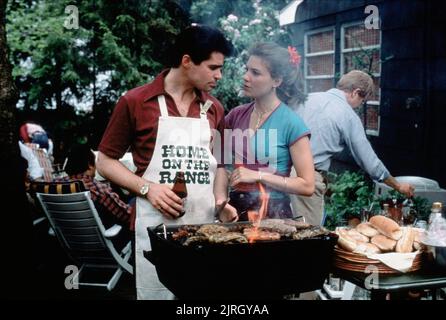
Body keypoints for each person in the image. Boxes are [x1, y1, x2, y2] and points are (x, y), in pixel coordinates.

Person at [96, 25, 234, 300]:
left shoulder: (215, 108)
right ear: (186, 61)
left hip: (204, 229)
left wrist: (221, 201)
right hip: (154, 228)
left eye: (221, 68)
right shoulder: (135, 101)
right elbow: (104, 161)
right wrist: (148, 188)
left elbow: (221, 164)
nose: (219, 75)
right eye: (212, 67)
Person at [291, 70, 415, 226]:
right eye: (362, 101)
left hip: (277, 172)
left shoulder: (307, 99)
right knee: (307, 236)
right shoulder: (347, 115)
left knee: (277, 231)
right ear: (356, 93)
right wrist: (397, 185)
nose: (359, 106)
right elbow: (369, 161)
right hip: (305, 178)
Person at [215, 43, 315, 222]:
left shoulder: (292, 124)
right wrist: (221, 202)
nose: (246, 77)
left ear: (277, 81)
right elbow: (219, 163)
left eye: (256, 72)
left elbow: (307, 185)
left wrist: (258, 176)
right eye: (247, 70)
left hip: (273, 213)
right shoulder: (235, 115)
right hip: (235, 210)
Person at [64, 143, 132, 230]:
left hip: (70, 237)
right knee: (134, 200)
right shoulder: (97, 189)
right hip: (112, 237)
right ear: (89, 164)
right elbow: (127, 216)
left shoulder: (55, 185)